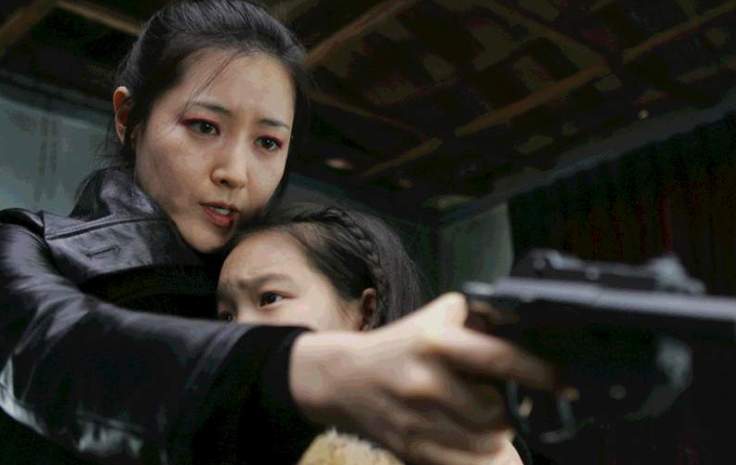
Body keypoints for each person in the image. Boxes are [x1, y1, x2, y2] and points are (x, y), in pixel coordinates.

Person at [0, 2, 554, 465]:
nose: (235, 172)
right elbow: (55, 356)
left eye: (268, 142)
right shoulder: (27, 247)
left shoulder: (289, 268)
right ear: (128, 119)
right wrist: (311, 372)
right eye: (204, 127)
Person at [217, 203, 530, 465]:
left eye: (270, 298)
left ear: (366, 311)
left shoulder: (456, 442)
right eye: (226, 316)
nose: (236, 330)